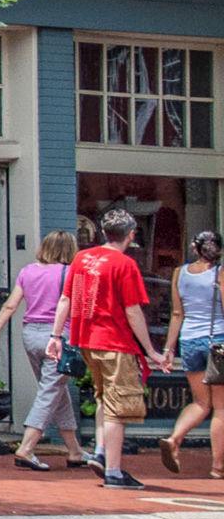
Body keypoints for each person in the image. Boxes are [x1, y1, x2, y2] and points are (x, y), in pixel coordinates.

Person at [48, 209, 168, 489]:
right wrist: (151, 350)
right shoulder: (124, 264)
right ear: (131, 235)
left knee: (104, 397)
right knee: (118, 407)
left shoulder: (82, 258)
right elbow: (133, 311)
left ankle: (101, 451)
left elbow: (66, 299)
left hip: (86, 340)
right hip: (115, 342)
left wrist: (56, 335)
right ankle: (113, 470)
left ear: (103, 232)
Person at [0, 231, 88, 471]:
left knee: (55, 389)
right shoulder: (70, 272)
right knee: (50, 391)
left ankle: (74, 451)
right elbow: (77, 307)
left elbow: (10, 305)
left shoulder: (27, 271)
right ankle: (27, 448)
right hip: (57, 336)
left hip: (30, 335)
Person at [159, 230, 223, 479]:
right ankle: (217, 467)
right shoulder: (220, 273)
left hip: (189, 341)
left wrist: (168, 349)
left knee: (200, 403)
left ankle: (174, 439)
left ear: (195, 249)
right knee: (221, 408)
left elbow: (177, 314)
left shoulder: (180, 273)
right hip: (218, 341)